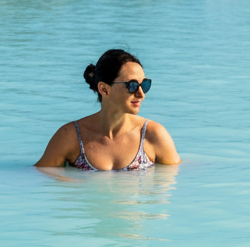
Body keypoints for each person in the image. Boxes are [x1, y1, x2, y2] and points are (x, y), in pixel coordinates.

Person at [36, 49, 181, 170]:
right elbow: (40, 178)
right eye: (132, 85)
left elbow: (178, 180)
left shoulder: (154, 135)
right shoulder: (70, 136)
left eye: (144, 85)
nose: (141, 94)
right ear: (104, 89)